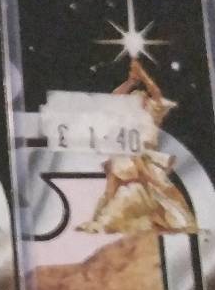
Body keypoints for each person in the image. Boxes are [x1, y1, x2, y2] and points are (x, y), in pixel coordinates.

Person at [78, 59, 197, 234]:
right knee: (112, 186)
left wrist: (143, 75)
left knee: (160, 188)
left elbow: (156, 93)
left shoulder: (153, 111)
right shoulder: (127, 117)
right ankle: (98, 221)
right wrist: (131, 81)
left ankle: (182, 220)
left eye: (140, 98)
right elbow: (114, 98)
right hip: (126, 154)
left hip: (145, 156)